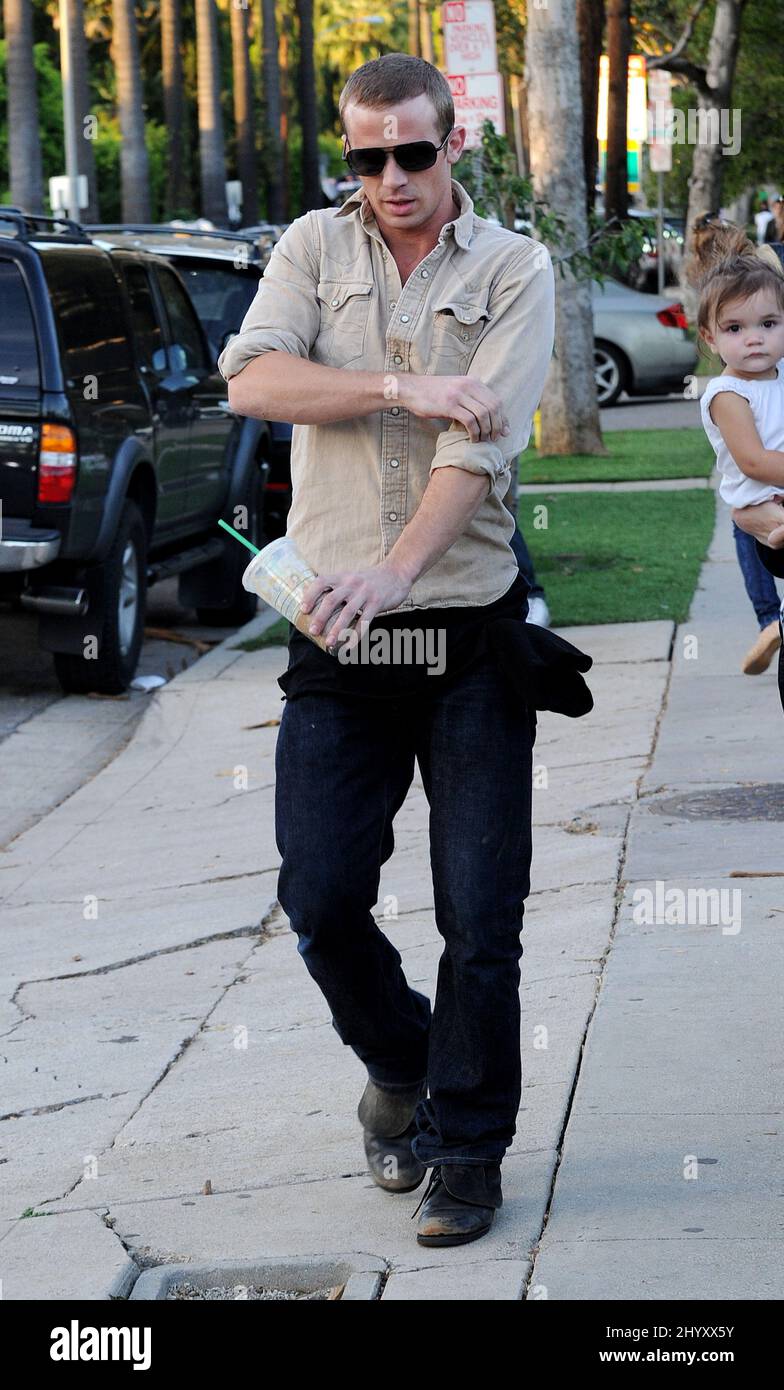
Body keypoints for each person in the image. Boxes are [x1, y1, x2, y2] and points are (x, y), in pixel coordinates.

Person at [218, 53, 561, 1248]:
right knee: (316, 892)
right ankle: (402, 1061)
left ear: (453, 142)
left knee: (483, 915)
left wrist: (396, 572)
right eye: (367, 158)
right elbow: (254, 379)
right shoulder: (314, 249)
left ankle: (467, 1147)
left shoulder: (516, 267)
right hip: (334, 638)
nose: (392, 178)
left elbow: (485, 451)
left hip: (465, 633)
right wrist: (402, 388)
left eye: (413, 153)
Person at [688, 217, 784, 673]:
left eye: (768, 323)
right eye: (734, 329)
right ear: (709, 337)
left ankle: (774, 620)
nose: (754, 338)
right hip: (762, 501)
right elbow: (754, 461)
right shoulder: (729, 394)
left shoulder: (777, 379)